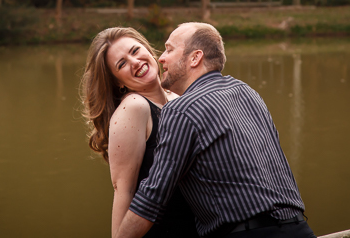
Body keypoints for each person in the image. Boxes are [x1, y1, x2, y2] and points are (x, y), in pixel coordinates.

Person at [116, 22, 316, 238]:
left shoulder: (181, 109)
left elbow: (152, 197)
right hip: (299, 229)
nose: (161, 57)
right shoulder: (247, 92)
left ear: (195, 58)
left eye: (169, 49)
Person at [80, 27, 199, 238]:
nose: (134, 62)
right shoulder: (134, 107)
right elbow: (123, 190)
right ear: (118, 81)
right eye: (122, 64)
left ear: (147, 49)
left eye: (135, 51)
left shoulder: (180, 98)